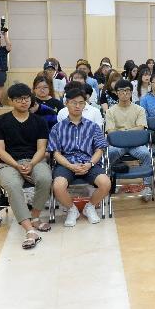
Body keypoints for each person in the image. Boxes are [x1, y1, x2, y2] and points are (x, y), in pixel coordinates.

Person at [0, 83, 53, 249]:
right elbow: (0, 151)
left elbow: (41, 148)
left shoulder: (39, 121)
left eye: (26, 98)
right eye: (19, 99)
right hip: (7, 164)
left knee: (45, 178)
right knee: (12, 185)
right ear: (11, 101)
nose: (23, 102)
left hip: (34, 160)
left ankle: (36, 216)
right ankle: (29, 229)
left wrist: (32, 163)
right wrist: (17, 166)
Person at [48, 88, 112, 227]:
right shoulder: (57, 128)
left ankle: (90, 206)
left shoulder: (93, 127)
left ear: (85, 104)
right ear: (66, 103)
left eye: (81, 103)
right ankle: (72, 209)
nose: (77, 106)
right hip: (66, 164)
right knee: (58, 186)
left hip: (88, 163)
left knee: (106, 183)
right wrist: (70, 166)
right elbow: (56, 153)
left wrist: (89, 164)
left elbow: (99, 149)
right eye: (74, 103)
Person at [105, 79, 153, 201]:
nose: (125, 93)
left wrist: (122, 133)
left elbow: (141, 128)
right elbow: (110, 131)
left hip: (136, 144)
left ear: (131, 93)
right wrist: (129, 133)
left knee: (146, 154)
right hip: (117, 145)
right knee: (109, 154)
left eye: (127, 91)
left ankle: (147, 186)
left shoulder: (139, 109)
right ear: (116, 93)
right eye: (121, 91)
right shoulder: (110, 111)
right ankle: (109, 183)